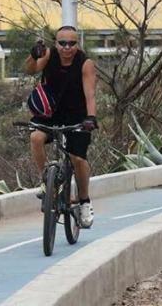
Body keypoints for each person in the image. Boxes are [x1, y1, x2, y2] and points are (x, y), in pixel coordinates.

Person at [24, 25, 98, 228]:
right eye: (62, 43)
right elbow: (31, 69)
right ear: (55, 43)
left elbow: (90, 93)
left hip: (77, 116)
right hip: (50, 114)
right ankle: (46, 181)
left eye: (72, 43)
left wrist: (91, 117)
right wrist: (33, 56)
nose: (67, 48)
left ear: (78, 44)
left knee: (78, 159)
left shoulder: (85, 63)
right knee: (35, 138)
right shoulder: (49, 55)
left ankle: (84, 201)